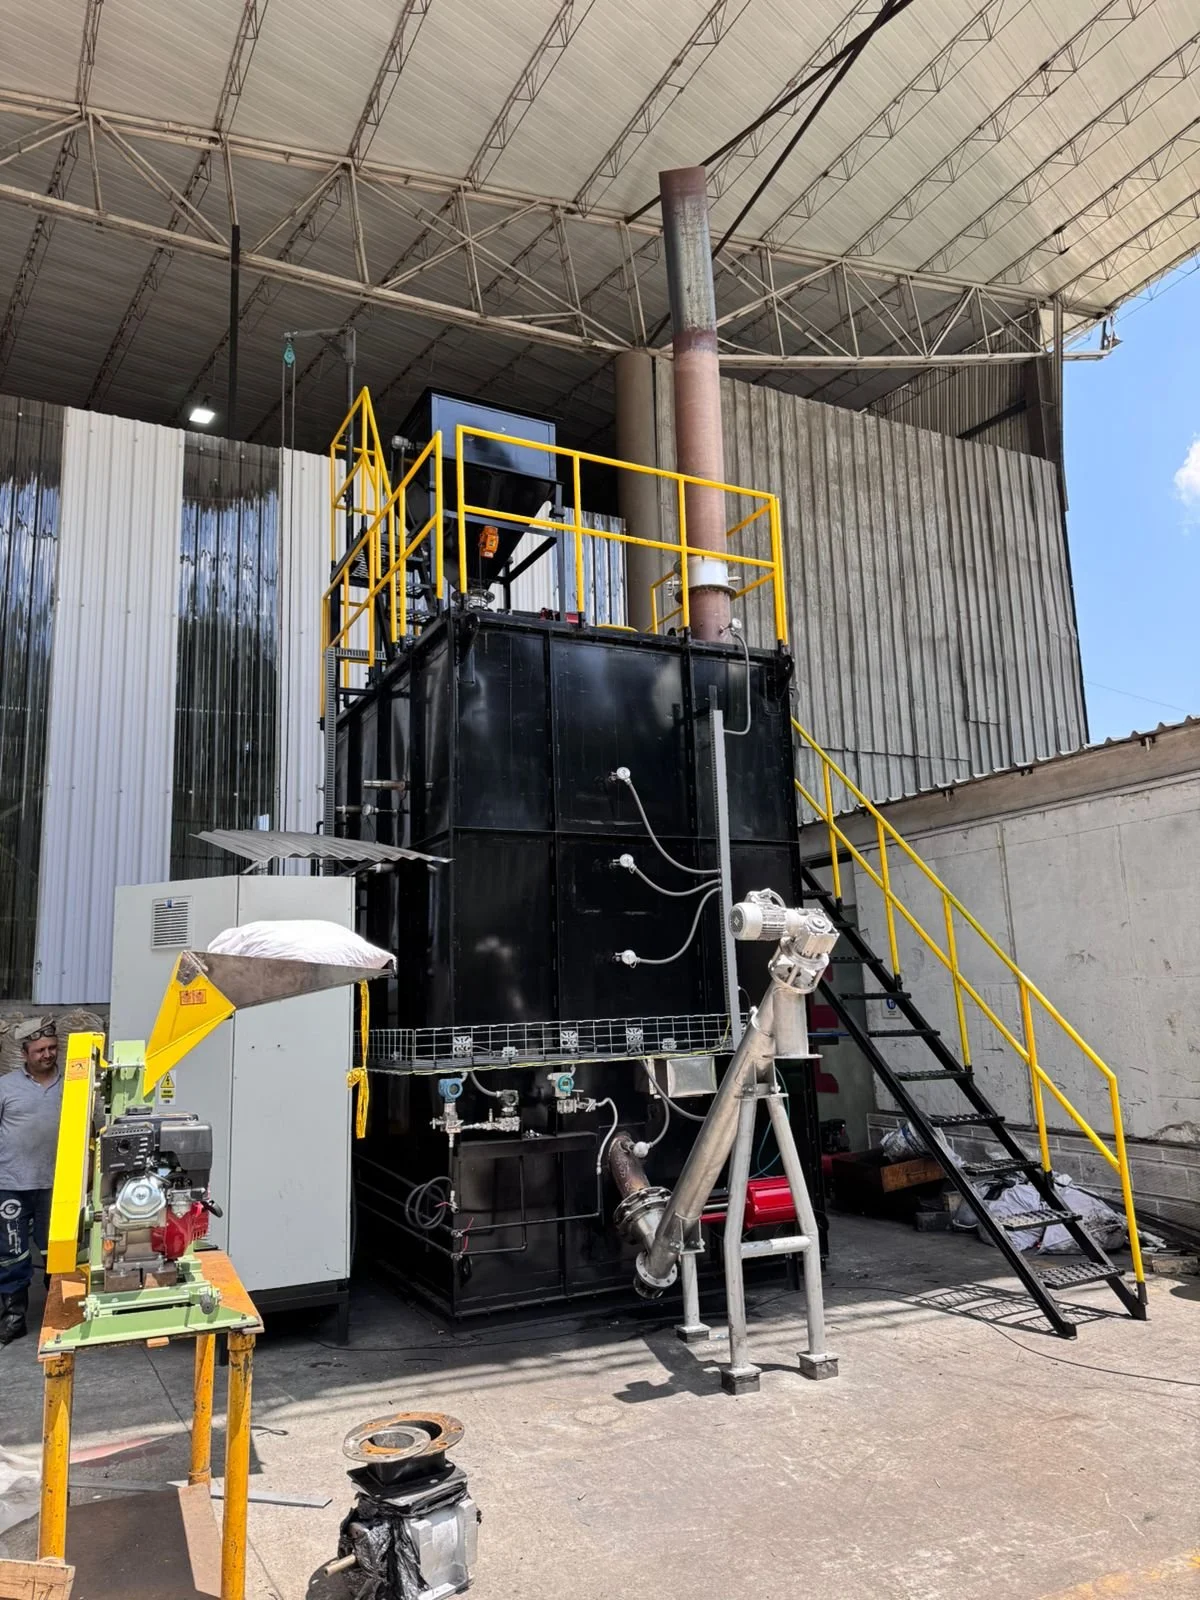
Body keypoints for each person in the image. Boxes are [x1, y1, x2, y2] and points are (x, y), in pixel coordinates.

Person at [0, 1017, 63, 1346]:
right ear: (25, 1054)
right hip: (10, 1182)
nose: (48, 1054)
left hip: (57, 1186)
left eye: (52, 1048)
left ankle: (59, 1313)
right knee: (11, 1251)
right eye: (40, 1050)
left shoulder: (73, 1085)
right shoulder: (6, 1087)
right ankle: (14, 1316)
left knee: (57, 1249)